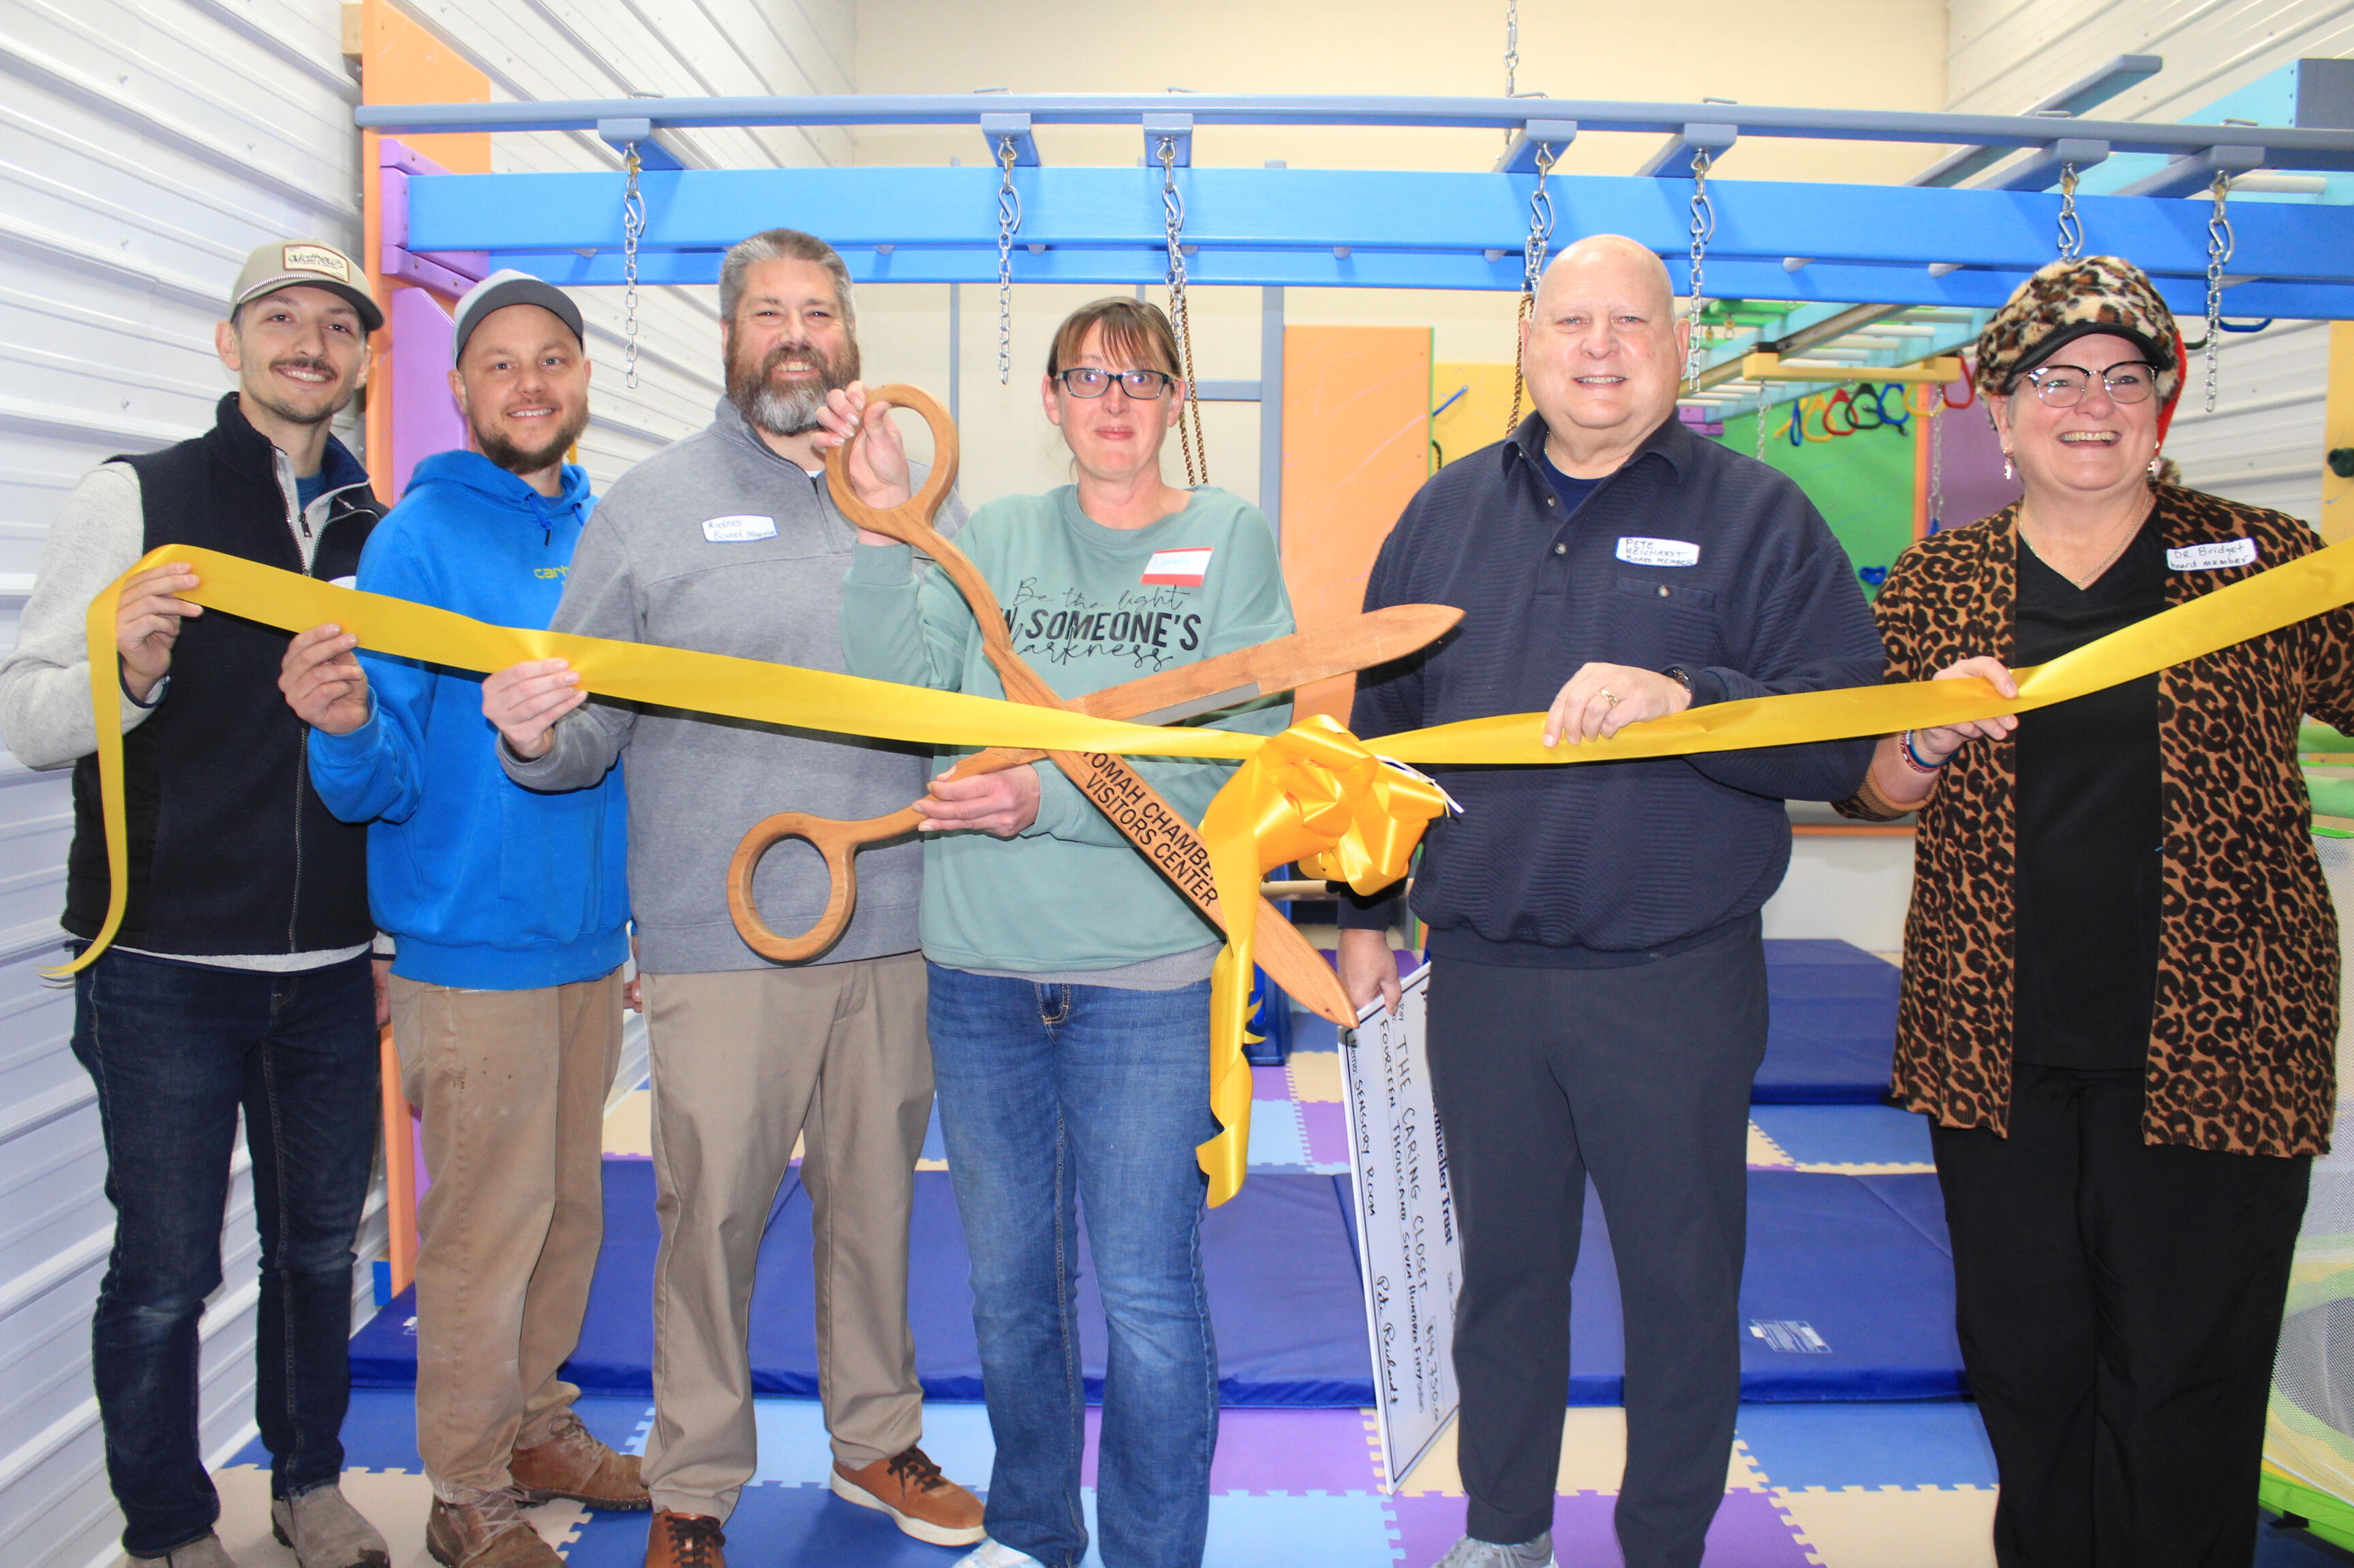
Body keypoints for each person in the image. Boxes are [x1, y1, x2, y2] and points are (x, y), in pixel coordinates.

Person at [1334, 235, 1886, 1568]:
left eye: (1629, 322)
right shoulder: (1442, 513)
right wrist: (1360, 913)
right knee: (1503, 1278)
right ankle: (1502, 1530)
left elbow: (1839, 735)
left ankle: (1663, 1545)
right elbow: (1380, 739)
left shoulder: (1759, 516)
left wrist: (1688, 696)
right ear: (1526, 341)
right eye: (1571, 320)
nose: (1598, 347)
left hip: (1673, 981)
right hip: (1483, 974)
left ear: (1675, 346)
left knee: (1681, 1290)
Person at [1837, 254, 2354, 1568]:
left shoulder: (2264, 561)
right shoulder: (1938, 582)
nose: (2091, 405)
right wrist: (1932, 736)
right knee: (2024, 1363)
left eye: (2125, 379)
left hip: (2224, 1044)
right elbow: (1874, 788)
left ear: (2159, 409)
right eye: (2055, 378)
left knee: (2186, 1375)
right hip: (1994, 1046)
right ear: (2002, 410)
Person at [480, 228, 983, 1568]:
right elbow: (585, 730)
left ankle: (875, 1438)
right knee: (706, 1221)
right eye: (769, 312)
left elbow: (975, 690)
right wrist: (533, 733)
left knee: (877, 1207)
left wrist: (899, 515)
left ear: (849, 337)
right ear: (728, 337)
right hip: (722, 937)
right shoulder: (649, 508)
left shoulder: (916, 496)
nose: (797, 334)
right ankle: (695, 1485)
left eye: (818, 311)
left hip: (895, 925)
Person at [827, 295, 1295, 1568]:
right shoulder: (997, 537)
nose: (1113, 401)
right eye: (1087, 377)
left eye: (1139, 379)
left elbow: (1238, 765)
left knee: (1146, 1295)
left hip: (1146, 978)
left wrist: (1054, 798)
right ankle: (1034, 1529)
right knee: (1008, 1292)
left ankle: (1151, 1553)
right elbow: (903, 702)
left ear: (1177, 400)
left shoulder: (1228, 538)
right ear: (1049, 400)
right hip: (979, 971)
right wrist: (880, 527)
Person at [0, 242, 395, 1568]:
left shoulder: (382, 527)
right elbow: (27, 719)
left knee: (319, 1253)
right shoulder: (139, 497)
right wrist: (126, 671)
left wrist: (383, 936)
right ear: (231, 342)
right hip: (160, 962)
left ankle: (310, 1482)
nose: (308, 342)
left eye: (336, 323)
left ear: (361, 356)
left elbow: (396, 748)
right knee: (166, 1271)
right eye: (280, 317)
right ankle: (168, 1522)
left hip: (330, 967)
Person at [279, 271, 645, 1568]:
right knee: (487, 1228)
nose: (528, 383)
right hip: (469, 945)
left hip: (588, 943)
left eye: (552, 358)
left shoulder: (611, 530)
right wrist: (338, 727)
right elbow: (374, 776)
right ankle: (465, 1488)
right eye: (500, 363)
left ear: (583, 377)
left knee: (569, 1211)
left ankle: (537, 1425)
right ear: (457, 388)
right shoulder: (418, 541)